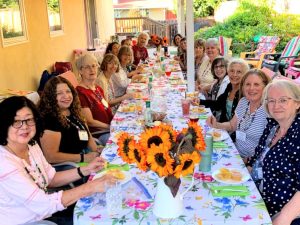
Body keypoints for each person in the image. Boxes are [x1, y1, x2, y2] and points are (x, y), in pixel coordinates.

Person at [0, 96, 116, 225]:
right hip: (27, 220)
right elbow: (44, 205)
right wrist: (90, 187)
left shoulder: (31, 145)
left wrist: (86, 169)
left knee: (103, 208)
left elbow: (51, 178)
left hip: (44, 211)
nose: (24, 126)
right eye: (16, 121)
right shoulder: (4, 164)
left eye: (29, 119)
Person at [246, 79, 300, 225]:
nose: (276, 106)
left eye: (283, 100)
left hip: (284, 212)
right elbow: (256, 159)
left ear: (297, 103)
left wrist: (284, 218)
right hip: (258, 196)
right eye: (271, 101)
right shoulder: (273, 127)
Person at [207, 69, 270, 158]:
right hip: (235, 152)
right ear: (243, 87)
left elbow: (269, 147)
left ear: (265, 87)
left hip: (252, 161)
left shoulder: (269, 110)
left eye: (256, 84)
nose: (251, 88)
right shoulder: (243, 102)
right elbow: (232, 125)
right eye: (248, 84)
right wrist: (216, 124)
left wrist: (249, 162)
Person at [38, 77, 100, 165]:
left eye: (68, 91)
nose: (66, 96)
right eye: (59, 93)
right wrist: (84, 157)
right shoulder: (49, 120)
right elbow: (51, 157)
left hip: (86, 155)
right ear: (50, 97)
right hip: (70, 165)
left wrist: (97, 151)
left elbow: (87, 134)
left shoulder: (73, 109)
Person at [195, 58, 249, 123]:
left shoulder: (245, 92)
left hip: (233, 131)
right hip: (223, 127)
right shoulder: (230, 86)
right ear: (228, 72)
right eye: (232, 71)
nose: (234, 74)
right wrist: (199, 101)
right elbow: (218, 104)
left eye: (239, 72)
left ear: (245, 75)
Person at [75, 53, 113, 146]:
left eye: (94, 66)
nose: (92, 69)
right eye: (87, 67)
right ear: (80, 70)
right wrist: (110, 127)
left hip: (109, 128)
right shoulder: (80, 92)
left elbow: (106, 107)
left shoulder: (97, 89)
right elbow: (89, 121)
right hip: (99, 134)